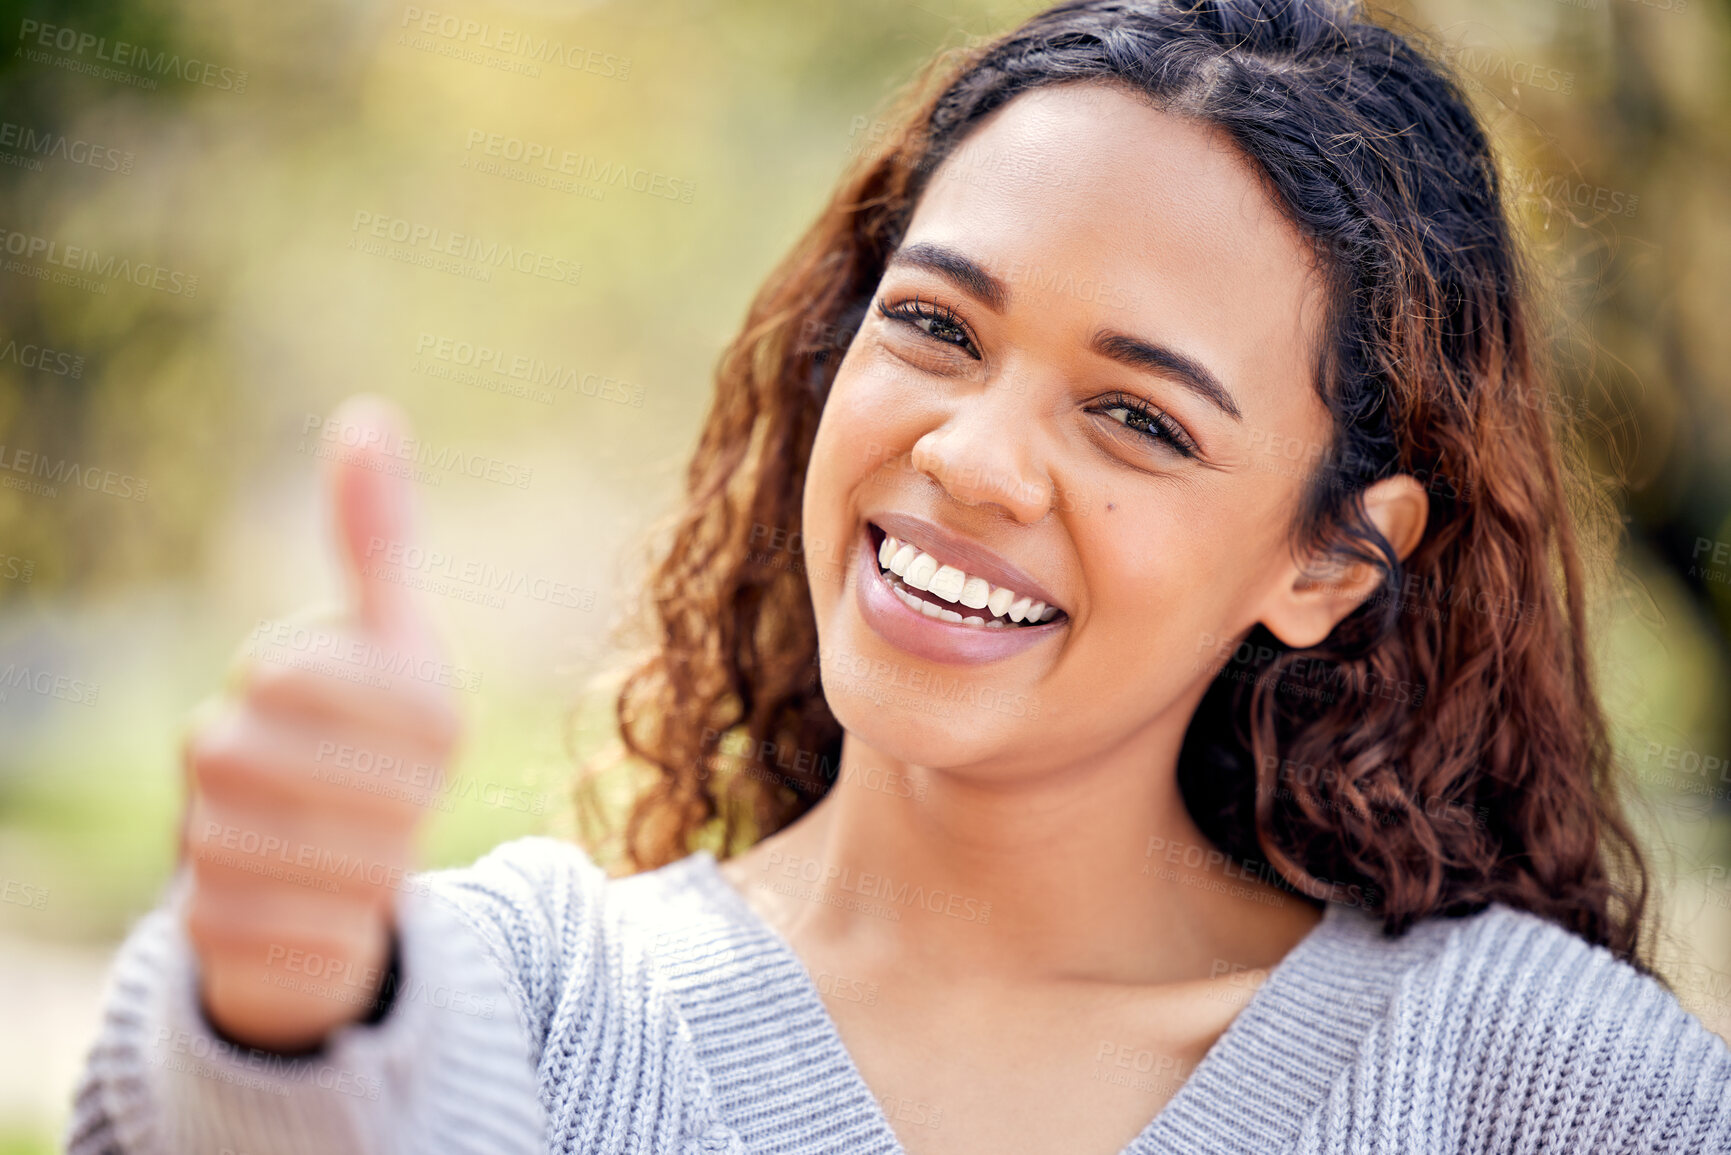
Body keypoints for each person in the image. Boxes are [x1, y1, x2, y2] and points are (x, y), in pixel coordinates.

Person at [64, 1, 1731, 1152]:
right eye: (936, 326)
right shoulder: (509, 1004)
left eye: (1138, 418)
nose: (971, 457)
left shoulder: (1535, 1082)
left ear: (1331, 557)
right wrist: (274, 1012)